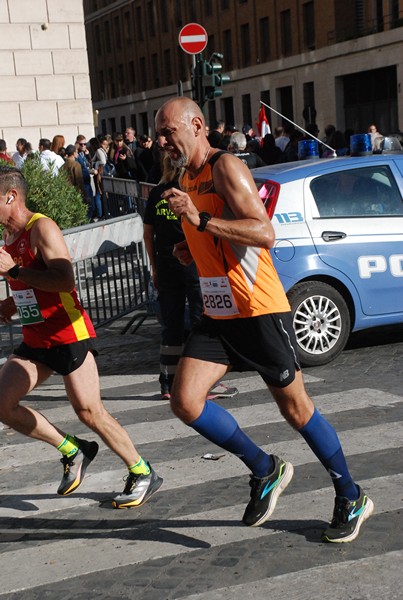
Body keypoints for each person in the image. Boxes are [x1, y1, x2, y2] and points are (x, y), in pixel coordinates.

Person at [154, 96, 373, 543]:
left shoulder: (225, 167)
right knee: (184, 401)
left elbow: (263, 233)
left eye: (167, 131)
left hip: (257, 308)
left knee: (296, 409)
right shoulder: (187, 175)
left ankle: (350, 495)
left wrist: (200, 219)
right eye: (159, 133)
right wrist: (191, 244)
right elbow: (215, 235)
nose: (161, 141)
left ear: (196, 125)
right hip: (218, 312)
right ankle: (265, 468)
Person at [0, 166, 162, 508]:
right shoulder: (8, 239)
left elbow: (63, 280)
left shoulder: (41, 228)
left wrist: (13, 271)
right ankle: (73, 449)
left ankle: (142, 470)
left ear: (10, 197)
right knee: (2, 403)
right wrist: (9, 305)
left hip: (67, 332)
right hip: (36, 338)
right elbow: (32, 288)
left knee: (89, 410)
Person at [143, 154, 204, 399]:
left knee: (172, 323)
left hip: (165, 263)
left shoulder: (156, 195)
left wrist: (154, 266)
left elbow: (148, 234)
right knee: (201, 319)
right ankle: (199, 381)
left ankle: (168, 382)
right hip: (191, 262)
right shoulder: (187, 193)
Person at [75, 135, 94, 207]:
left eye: (85, 144)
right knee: (86, 205)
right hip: (82, 183)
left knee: (91, 204)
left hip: (88, 182)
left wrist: (88, 155)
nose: (83, 146)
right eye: (81, 144)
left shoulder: (84, 154)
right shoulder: (77, 155)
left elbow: (89, 164)